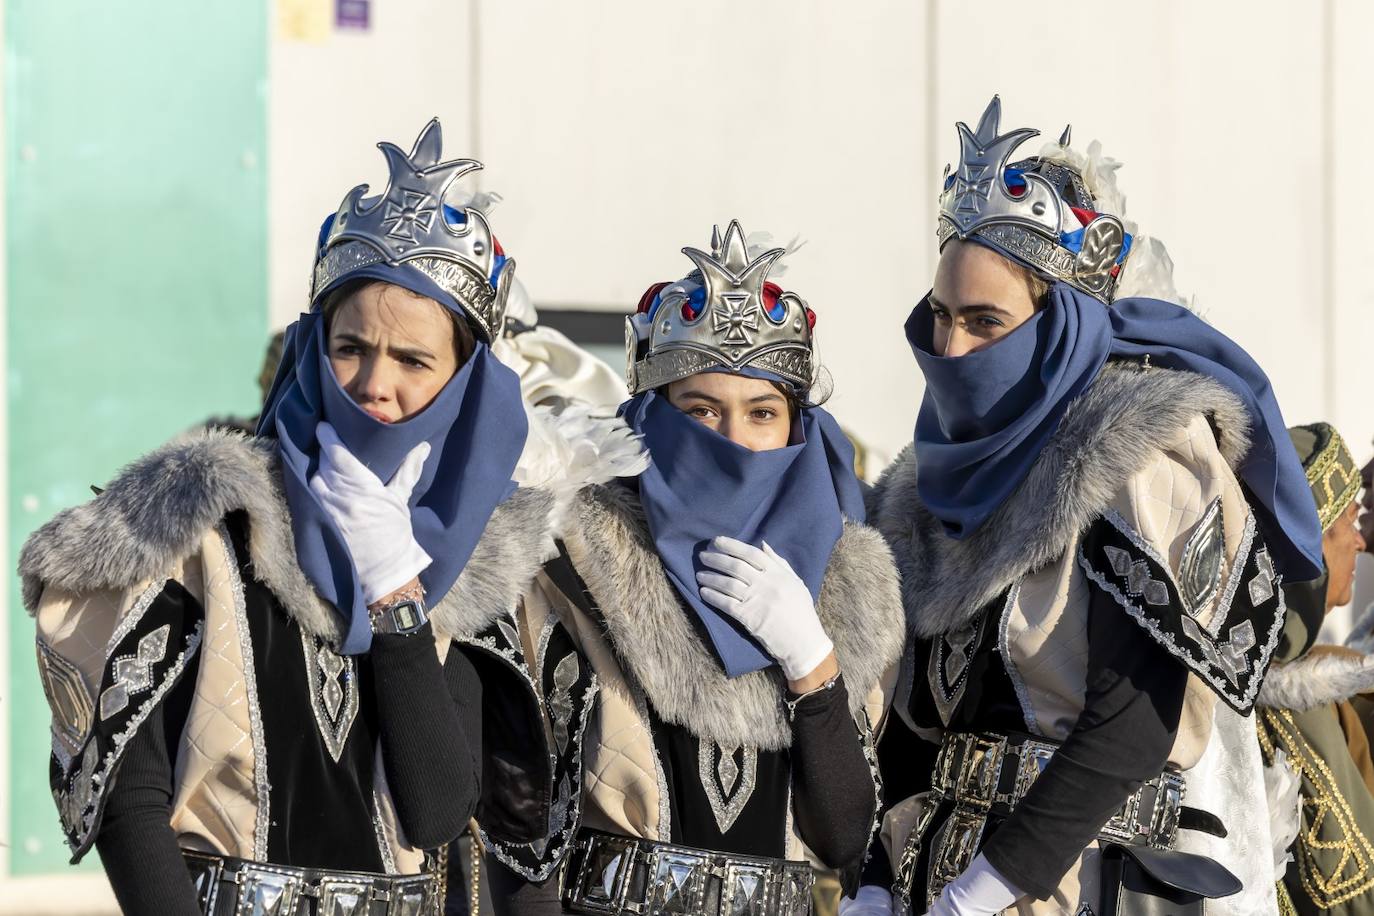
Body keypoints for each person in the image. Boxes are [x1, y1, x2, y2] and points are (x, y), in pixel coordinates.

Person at [20, 119, 629, 916]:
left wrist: (398, 595)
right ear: (313, 347)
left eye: (413, 360)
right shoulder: (203, 527)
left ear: (465, 381)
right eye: (351, 348)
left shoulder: (488, 559)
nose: (375, 384)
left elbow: (439, 810)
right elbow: (130, 799)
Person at [862, 97, 1325, 916]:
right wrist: (872, 879)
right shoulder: (927, 477)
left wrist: (986, 889)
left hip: (1077, 883)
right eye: (941, 317)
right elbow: (910, 724)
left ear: (1060, 325)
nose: (952, 349)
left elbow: (1132, 721)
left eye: (985, 322)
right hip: (926, 876)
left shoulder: (1140, 450)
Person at [477, 221, 905, 916]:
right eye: (702, 410)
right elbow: (521, 829)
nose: (733, 440)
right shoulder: (567, 555)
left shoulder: (850, 583)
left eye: (762, 413)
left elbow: (842, 836)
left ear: (796, 427)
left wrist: (813, 669)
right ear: (653, 414)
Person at [1256, 422, 1374, 915]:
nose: (1359, 542)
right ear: (1312, 544)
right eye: (1349, 520)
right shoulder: (1284, 704)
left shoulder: (1328, 676)